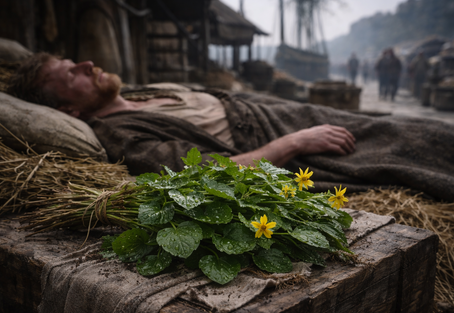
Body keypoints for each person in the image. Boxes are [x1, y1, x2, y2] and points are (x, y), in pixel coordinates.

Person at [7, 53, 454, 201]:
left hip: (270, 110)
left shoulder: (135, 93)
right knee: (408, 145)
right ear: (71, 112)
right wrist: (297, 141)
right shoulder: (121, 134)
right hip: (271, 136)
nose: (87, 63)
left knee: (399, 124)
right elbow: (210, 171)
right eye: (72, 74)